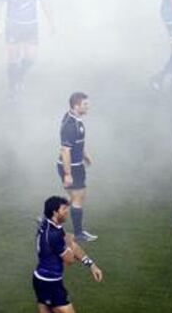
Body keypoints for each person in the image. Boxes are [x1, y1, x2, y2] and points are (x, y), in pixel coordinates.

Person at [0, 0, 54, 100]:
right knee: (13, 57)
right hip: (13, 26)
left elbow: (45, 3)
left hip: (31, 26)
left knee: (31, 57)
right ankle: (12, 88)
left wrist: (51, 22)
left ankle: (18, 77)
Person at [33, 195, 104, 312]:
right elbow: (69, 260)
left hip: (40, 279)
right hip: (51, 283)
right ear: (55, 212)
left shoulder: (51, 224)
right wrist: (69, 241)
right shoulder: (54, 234)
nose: (67, 212)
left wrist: (92, 265)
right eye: (64, 209)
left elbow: (71, 246)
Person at [57, 92, 98, 242]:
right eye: (85, 104)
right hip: (72, 167)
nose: (88, 107)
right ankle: (79, 233)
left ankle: (47, 218)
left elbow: (78, 142)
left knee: (72, 197)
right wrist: (68, 173)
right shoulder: (70, 125)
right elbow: (65, 150)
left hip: (75, 164)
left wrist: (85, 155)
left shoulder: (75, 119)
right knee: (78, 197)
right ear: (76, 106)